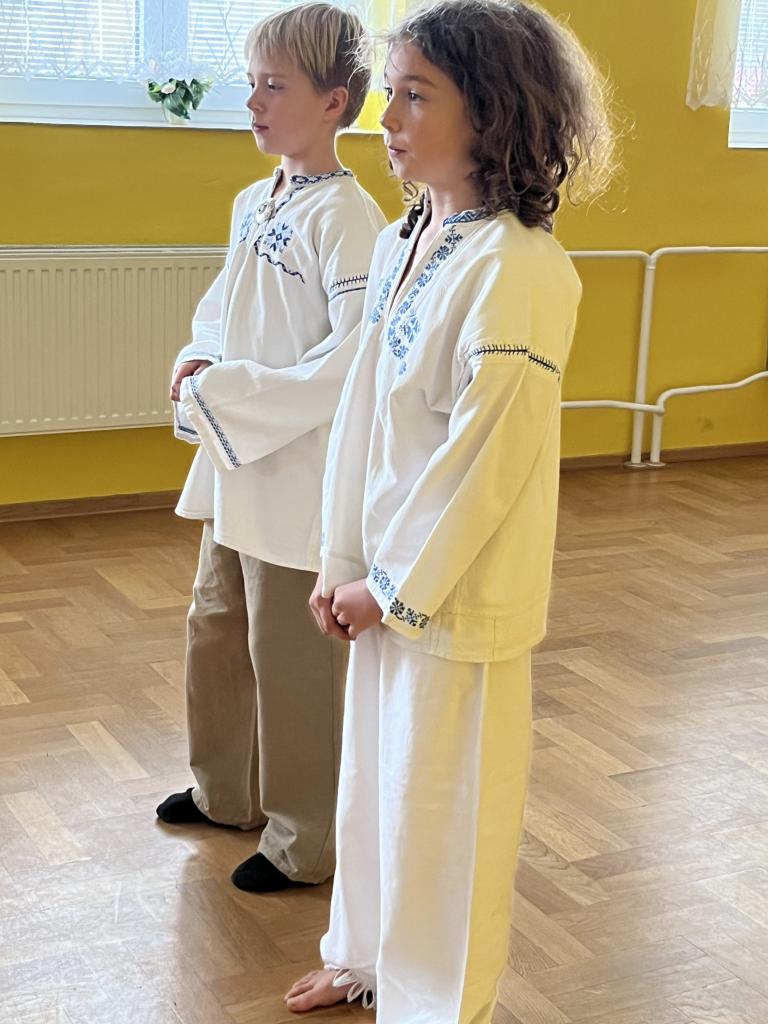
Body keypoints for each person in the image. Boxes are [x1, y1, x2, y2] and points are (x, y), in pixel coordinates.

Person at [285, 0, 615, 1015]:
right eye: (391, 93)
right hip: (380, 579)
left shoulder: (519, 268)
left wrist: (393, 587)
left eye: (416, 96)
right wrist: (342, 561)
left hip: (456, 596)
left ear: (494, 111)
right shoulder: (403, 241)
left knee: (444, 816)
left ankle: (437, 1003)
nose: (386, 118)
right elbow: (362, 417)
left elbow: (486, 459)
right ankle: (363, 957)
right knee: (374, 788)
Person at [156, 2, 386, 894]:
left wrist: (239, 395)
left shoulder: (350, 218)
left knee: (293, 661)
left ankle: (306, 838)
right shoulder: (255, 202)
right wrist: (199, 356)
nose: (253, 101)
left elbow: (353, 355)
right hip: (233, 463)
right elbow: (223, 308)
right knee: (216, 628)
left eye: (274, 86)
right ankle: (227, 792)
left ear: (333, 102)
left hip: (296, 476)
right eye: (251, 84)